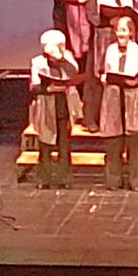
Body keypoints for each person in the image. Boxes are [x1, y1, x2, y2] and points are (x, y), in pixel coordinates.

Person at [97, 16, 138, 191]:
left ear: (131, 32)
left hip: (132, 96)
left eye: (124, 30)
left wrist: (137, 81)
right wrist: (104, 77)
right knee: (113, 140)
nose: (121, 33)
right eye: (118, 30)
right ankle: (113, 180)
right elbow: (101, 70)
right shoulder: (110, 50)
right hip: (113, 95)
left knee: (136, 140)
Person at [83, 0, 137, 130]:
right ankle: (92, 119)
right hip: (101, 41)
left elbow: (134, 18)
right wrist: (109, 21)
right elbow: (92, 17)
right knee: (96, 80)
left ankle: (118, 119)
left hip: (122, 41)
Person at [28, 29, 81, 189]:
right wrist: (49, 89)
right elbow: (34, 86)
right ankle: (43, 178)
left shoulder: (68, 58)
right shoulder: (38, 62)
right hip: (47, 104)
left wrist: (60, 59)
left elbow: (73, 72)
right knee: (45, 142)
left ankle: (65, 178)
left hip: (64, 104)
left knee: (64, 143)